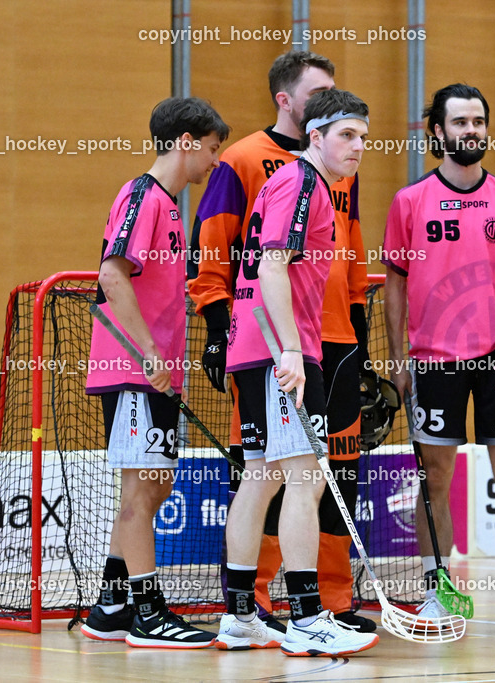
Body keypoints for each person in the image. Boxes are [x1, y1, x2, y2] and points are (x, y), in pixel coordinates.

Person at [188, 51, 374, 638]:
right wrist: (292, 351)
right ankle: (309, 617)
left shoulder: (296, 179)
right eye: (347, 135)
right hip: (280, 353)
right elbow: (271, 266)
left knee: (261, 476)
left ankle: (240, 614)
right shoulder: (302, 183)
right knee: (302, 478)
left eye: (364, 136)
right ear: (315, 135)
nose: (358, 146)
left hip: (259, 349)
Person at [383, 83, 495, 633]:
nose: (471, 131)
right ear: (437, 131)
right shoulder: (410, 202)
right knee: (435, 478)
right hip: (433, 361)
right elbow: (394, 287)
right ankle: (438, 591)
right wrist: (397, 358)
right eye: (460, 122)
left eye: (478, 121)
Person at [80, 97, 230, 648]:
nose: (214, 161)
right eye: (212, 149)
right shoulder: (141, 196)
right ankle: (148, 613)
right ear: (186, 142)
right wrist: (146, 352)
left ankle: (111, 602)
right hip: (133, 370)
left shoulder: (168, 206)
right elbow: (112, 276)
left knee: (156, 483)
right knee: (140, 488)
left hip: (158, 372)